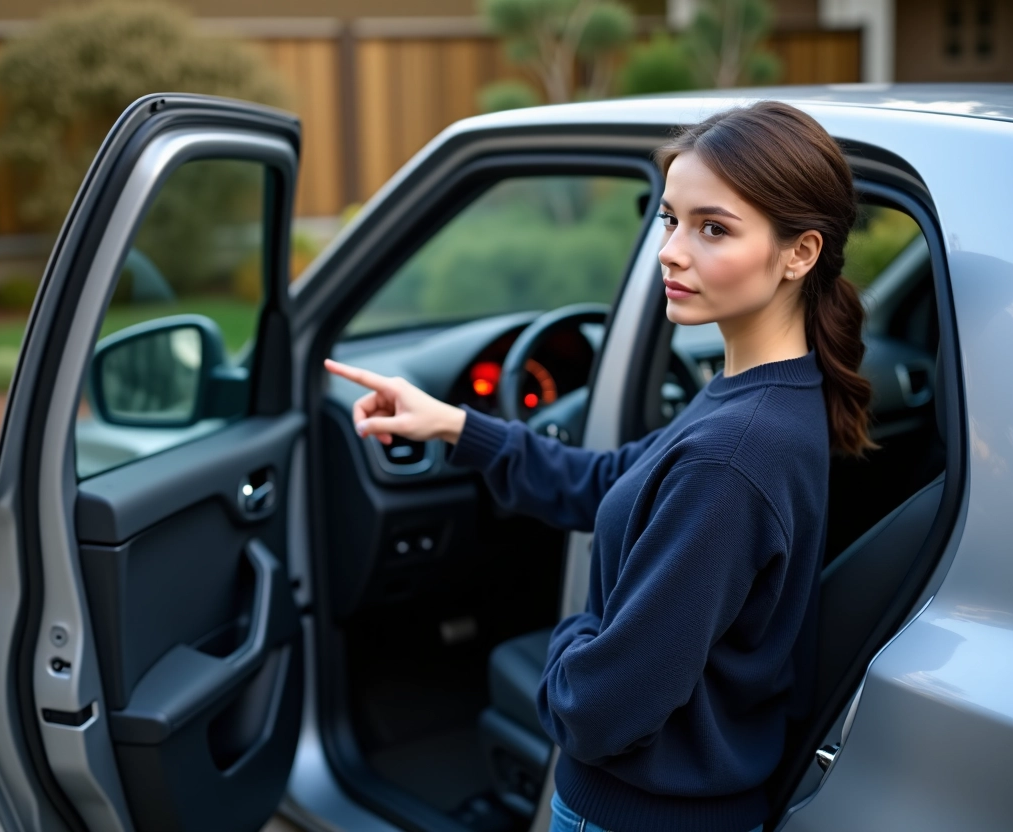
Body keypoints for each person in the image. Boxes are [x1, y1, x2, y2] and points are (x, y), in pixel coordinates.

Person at [324, 100, 873, 832]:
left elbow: (603, 710)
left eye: (713, 228)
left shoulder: (732, 456)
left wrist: (572, 633)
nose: (671, 251)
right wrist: (457, 426)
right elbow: (615, 479)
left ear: (798, 253)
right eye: (670, 219)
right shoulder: (770, 398)